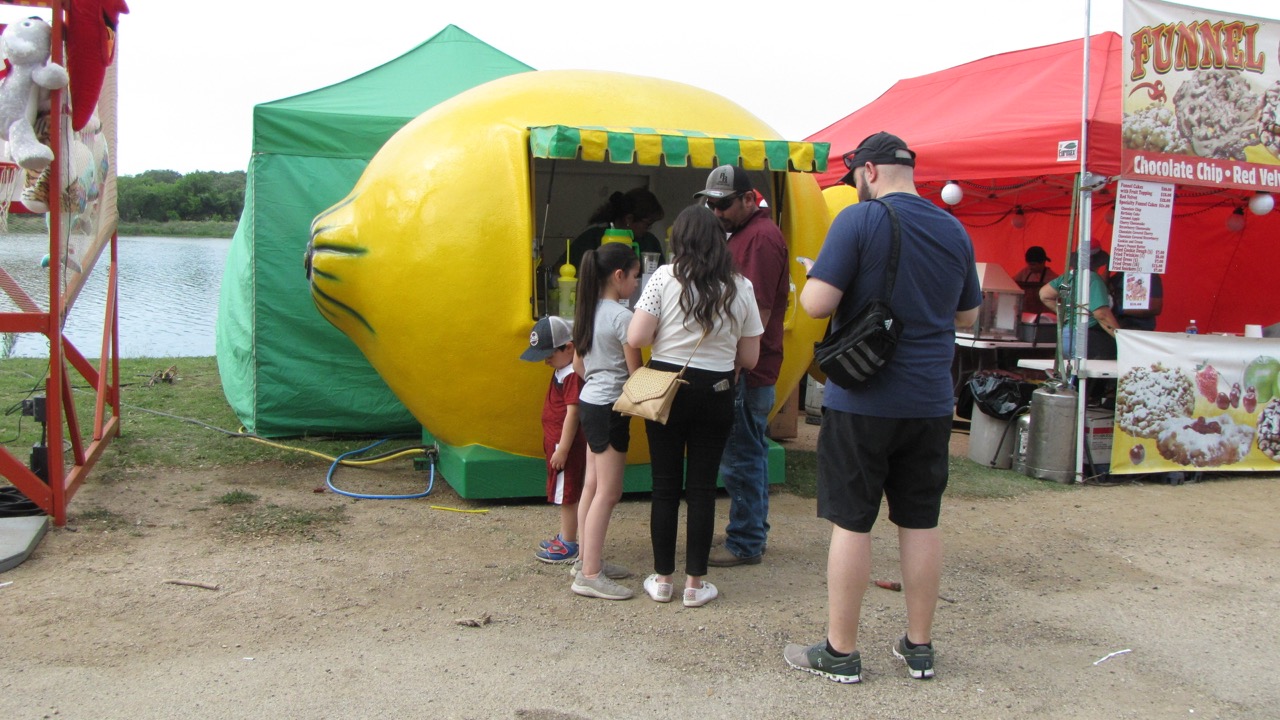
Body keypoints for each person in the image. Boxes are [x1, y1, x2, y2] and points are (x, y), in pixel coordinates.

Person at [785, 132, 981, 684]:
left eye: (855, 180)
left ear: (868, 171)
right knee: (920, 521)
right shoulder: (953, 228)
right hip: (930, 401)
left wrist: (820, 275)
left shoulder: (858, 220)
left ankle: (841, 652)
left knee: (853, 521)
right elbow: (967, 316)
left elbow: (816, 303)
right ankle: (919, 648)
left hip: (863, 400)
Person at [628, 204, 763, 607]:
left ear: (680, 240)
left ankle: (662, 579)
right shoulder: (741, 286)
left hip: (665, 389)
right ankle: (695, 584)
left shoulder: (663, 277)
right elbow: (751, 357)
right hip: (717, 390)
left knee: (664, 486)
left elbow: (636, 337)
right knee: (703, 489)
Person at [694, 164, 788, 568]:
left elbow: (758, 315)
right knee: (747, 453)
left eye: (724, 204)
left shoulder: (760, 239)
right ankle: (749, 533)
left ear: (750, 199)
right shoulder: (747, 234)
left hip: (748, 368)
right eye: (711, 205)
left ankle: (746, 541)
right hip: (748, 366)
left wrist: (733, 367)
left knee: (742, 457)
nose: (716, 212)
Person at [569, 242, 642, 600]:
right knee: (609, 492)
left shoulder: (587, 311)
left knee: (592, 486)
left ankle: (586, 560)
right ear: (618, 275)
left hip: (589, 403)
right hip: (610, 407)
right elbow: (636, 372)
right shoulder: (622, 317)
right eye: (635, 276)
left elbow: (578, 366)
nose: (636, 283)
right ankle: (590, 575)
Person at [519, 315, 588, 565]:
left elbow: (573, 412)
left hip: (564, 446)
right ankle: (564, 535)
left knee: (567, 494)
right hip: (555, 443)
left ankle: (568, 543)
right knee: (562, 492)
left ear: (568, 348)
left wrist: (563, 449)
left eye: (549, 354)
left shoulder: (571, 375)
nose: (546, 360)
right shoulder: (561, 369)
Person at [1039, 249, 1120, 361]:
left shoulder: (1068, 278)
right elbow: (1102, 315)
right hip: (1088, 338)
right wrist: (1121, 339)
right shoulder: (1093, 279)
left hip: (1066, 336)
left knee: (1070, 371)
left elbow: (1045, 294)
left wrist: (1064, 313)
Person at [558, 188, 666, 270]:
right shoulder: (592, 239)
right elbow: (559, 270)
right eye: (647, 224)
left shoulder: (650, 242)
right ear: (629, 219)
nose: (648, 229)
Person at [1013, 245, 1059, 317]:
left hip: (1044, 316)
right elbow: (1011, 283)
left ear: (1043, 262)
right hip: (1025, 314)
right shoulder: (1025, 272)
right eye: (1029, 264)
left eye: (1033, 265)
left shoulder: (1052, 278)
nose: (1030, 267)